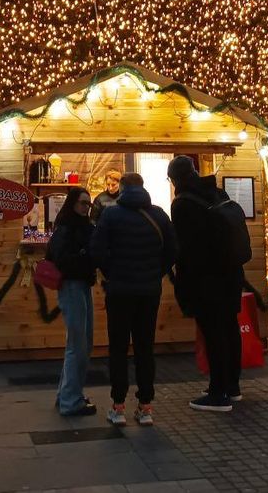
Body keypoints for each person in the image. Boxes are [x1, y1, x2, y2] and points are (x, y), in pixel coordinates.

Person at [90, 172, 177, 427]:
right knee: (145, 347)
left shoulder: (111, 215)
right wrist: (155, 273)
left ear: (123, 188)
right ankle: (145, 406)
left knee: (118, 347)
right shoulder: (159, 215)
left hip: (119, 291)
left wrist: (111, 272)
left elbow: (96, 251)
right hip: (149, 291)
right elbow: (172, 251)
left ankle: (118, 407)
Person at [168, 155, 244, 412]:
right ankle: (232, 387)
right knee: (229, 329)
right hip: (232, 274)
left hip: (206, 279)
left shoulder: (183, 204)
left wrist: (183, 286)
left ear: (175, 179)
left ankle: (217, 392)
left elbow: (186, 250)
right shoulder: (218, 193)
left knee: (213, 334)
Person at [46, 187, 97, 416]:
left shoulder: (82, 227)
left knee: (80, 343)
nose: (86, 208)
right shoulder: (67, 229)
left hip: (81, 285)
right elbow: (61, 259)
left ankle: (67, 394)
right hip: (72, 286)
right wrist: (86, 256)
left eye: (89, 204)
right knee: (79, 345)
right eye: (83, 203)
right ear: (73, 204)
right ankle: (70, 401)